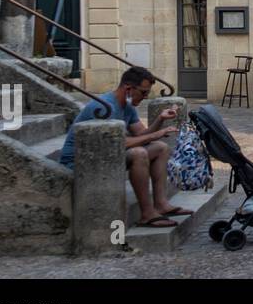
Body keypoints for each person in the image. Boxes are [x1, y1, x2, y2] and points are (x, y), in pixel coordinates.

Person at [59, 66, 186, 229]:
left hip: (106, 156)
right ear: (128, 88)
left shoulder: (127, 106)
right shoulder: (103, 108)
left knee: (161, 148)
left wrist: (160, 119)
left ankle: (160, 204)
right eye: (143, 92)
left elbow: (141, 134)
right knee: (139, 153)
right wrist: (155, 135)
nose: (145, 97)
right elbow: (118, 143)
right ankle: (147, 214)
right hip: (79, 163)